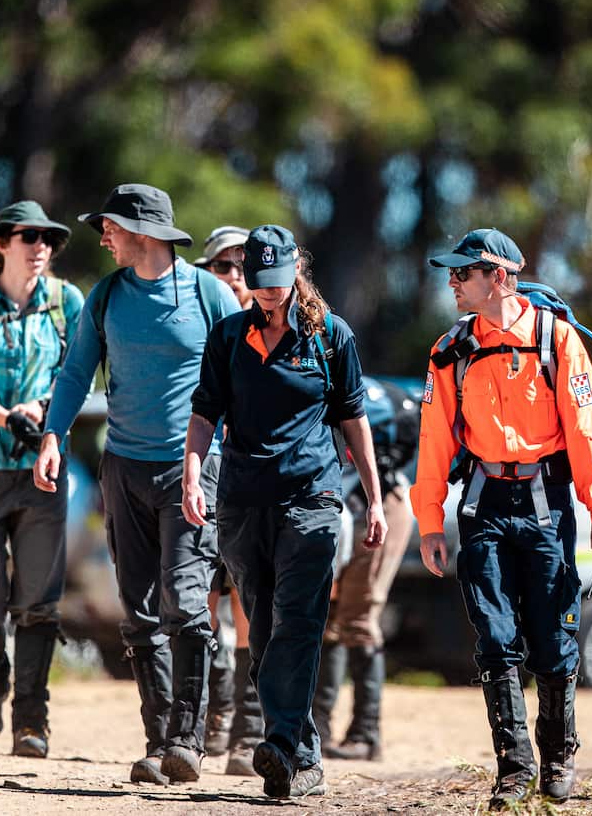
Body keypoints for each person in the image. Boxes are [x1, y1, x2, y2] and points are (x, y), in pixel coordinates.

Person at [409, 229, 592, 809]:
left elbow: (588, 430)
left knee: (554, 637)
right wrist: (430, 521)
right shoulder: (449, 349)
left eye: (463, 274)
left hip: (547, 505)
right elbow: (434, 440)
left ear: (498, 277)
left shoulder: (558, 341)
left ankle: (558, 759)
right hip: (482, 506)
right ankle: (513, 769)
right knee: (495, 638)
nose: (452, 283)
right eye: (451, 274)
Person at [34, 183, 241, 784]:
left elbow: (241, 379)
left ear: (144, 233)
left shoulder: (209, 295)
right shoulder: (105, 297)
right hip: (123, 467)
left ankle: (188, 737)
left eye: (111, 226)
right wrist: (53, 435)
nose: (102, 236)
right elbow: (76, 373)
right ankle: (159, 742)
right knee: (139, 611)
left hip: (192, 469)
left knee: (185, 599)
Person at [181, 224, 388, 800]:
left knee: (298, 621)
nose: (269, 293)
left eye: (277, 282)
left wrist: (373, 498)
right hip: (243, 502)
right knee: (265, 627)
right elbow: (204, 414)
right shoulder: (228, 336)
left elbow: (354, 421)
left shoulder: (331, 336)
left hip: (312, 498)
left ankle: (278, 744)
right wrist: (193, 473)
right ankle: (302, 755)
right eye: (258, 282)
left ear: (297, 269)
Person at [0, 201, 85, 759]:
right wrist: (9, 416)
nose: (42, 246)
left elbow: (80, 373)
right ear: (2, 243)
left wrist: (44, 408)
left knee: (39, 601)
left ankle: (31, 719)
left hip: (42, 471)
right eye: (30, 237)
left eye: (49, 238)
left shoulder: (67, 302)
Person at [312, 376, 418, 761]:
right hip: (343, 512)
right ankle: (319, 730)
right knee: (327, 617)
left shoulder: (340, 395)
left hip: (383, 508)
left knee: (359, 616)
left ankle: (366, 733)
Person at [193, 224, 263, 774]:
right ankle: (214, 717)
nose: (233, 276)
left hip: (250, 479)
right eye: (222, 265)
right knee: (205, 597)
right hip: (202, 474)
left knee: (249, 599)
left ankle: (250, 726)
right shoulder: (198, 327)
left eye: (242, 265)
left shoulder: (269, 328)